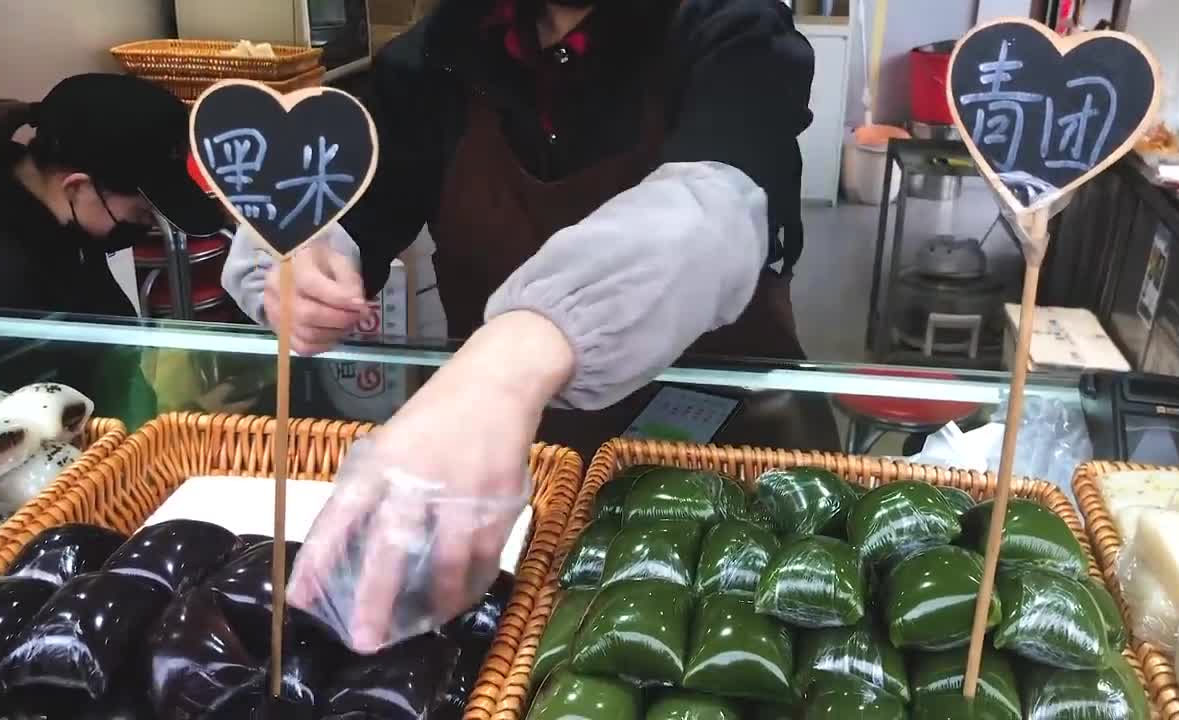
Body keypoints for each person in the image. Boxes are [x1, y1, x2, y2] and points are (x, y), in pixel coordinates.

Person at [223, 0, 817, 652]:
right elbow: (350, 203)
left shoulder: (732, 28)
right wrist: (303, 259)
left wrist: (511, 357)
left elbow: (716, 209)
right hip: (517, 478)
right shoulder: (438, 55)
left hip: (725, 464)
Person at [0, 73, 223, 317]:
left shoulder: (65, 225)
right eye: (142, 213)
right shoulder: (7, 277)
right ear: (77, 188)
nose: (151, 223)